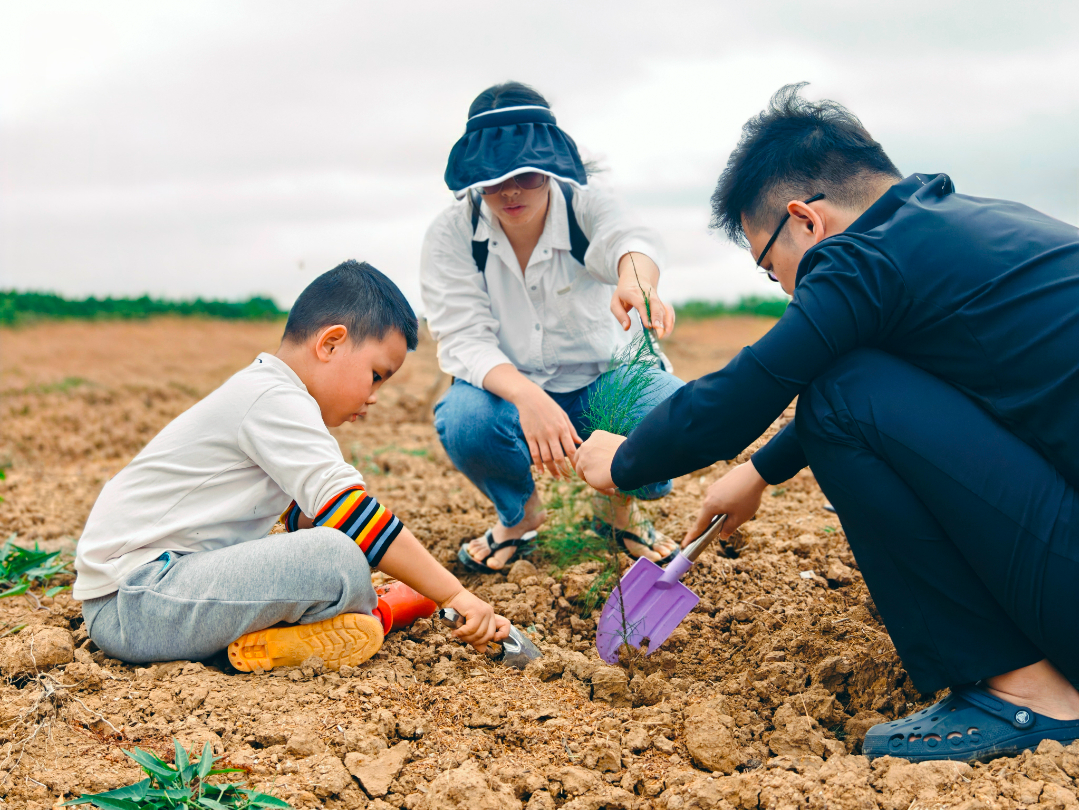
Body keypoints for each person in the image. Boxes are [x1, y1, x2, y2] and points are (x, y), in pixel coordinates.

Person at [574, 84, 1079, 762]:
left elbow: (746, 393)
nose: (785, 289)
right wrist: (758, 471)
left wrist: (625, 459)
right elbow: (905, 398)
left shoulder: (861, 258)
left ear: (803, 221)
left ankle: (1027, 696)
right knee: (852, 381)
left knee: (838, 390)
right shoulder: (962, 231)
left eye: (770, 266)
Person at [75, 260, 509, 671]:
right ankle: (381, 611)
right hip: (136, 601)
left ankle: (290, 638)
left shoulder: (270, 393)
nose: (374, 394)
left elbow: (309, 515)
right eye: (376, 374)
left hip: (153, 592)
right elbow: (351, 514)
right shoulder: (273, 399)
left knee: (342, 542)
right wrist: (456, 594)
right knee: (337, 557)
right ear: (330, 343)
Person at [421, 81, 683, 573]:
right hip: (509, 394)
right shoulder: (451, 235)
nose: (511, 191)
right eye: (494, 180)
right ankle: (520, 517)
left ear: (550, 168)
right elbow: (463, 336)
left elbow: (629, 239)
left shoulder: (585, 205)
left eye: (526, 175)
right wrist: (528, 398)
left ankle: (617, 509)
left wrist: (636, 280)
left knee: (669, 411)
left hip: (604, 380)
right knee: (464, 420)